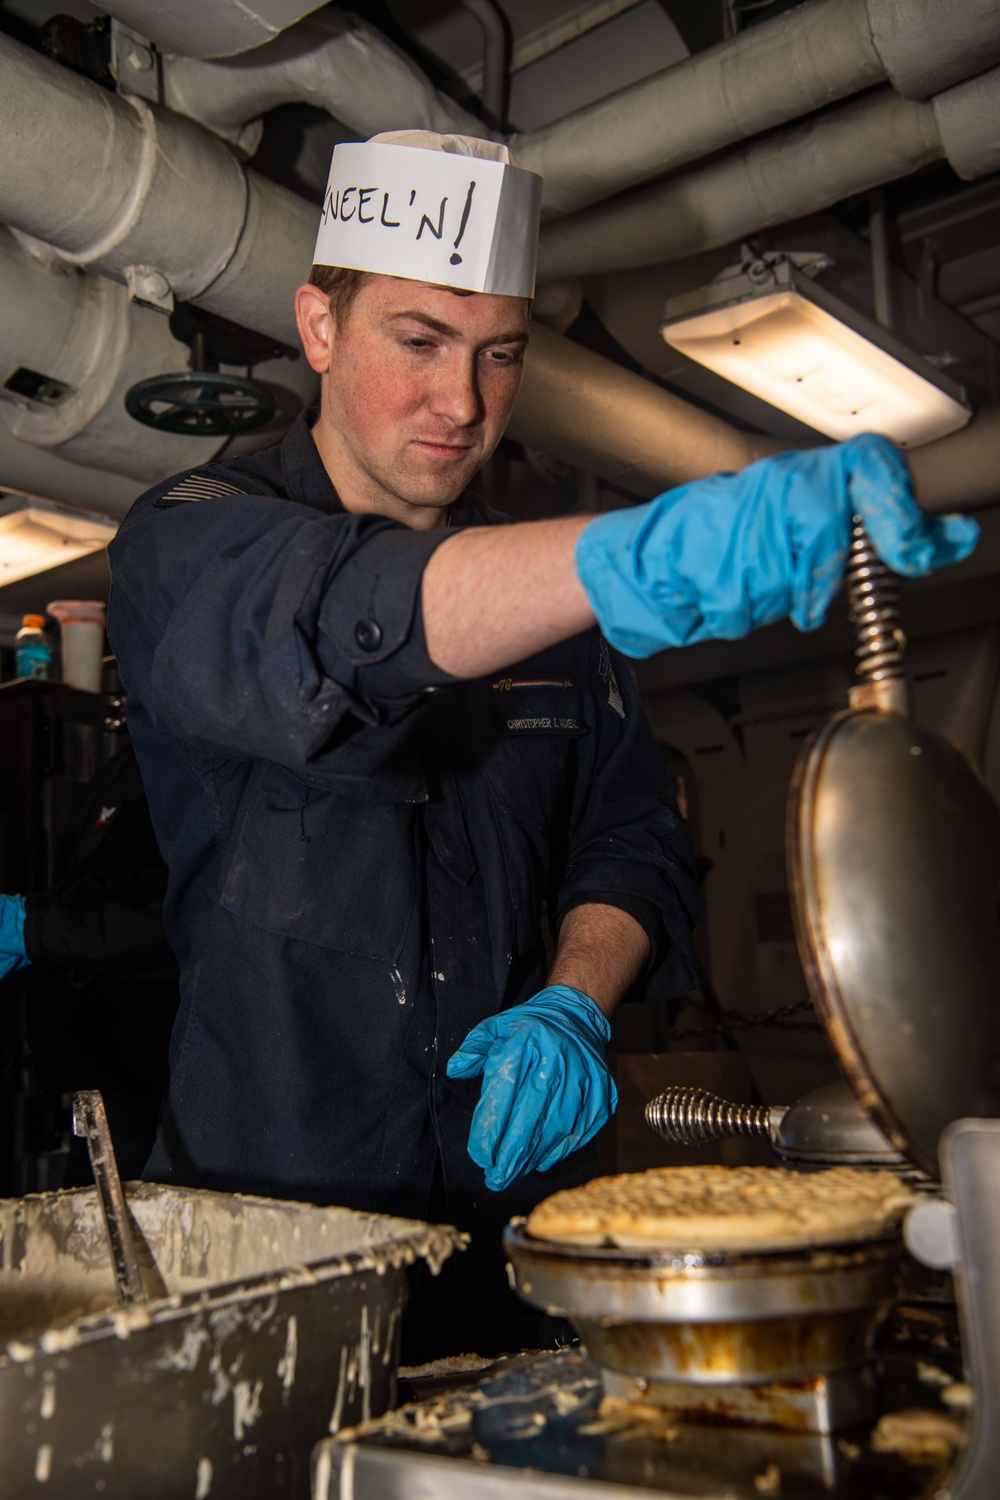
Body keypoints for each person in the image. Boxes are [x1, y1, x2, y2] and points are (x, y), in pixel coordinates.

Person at [105, 131, 977, 1355]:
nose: (461, 404)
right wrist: (627, 554)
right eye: (418, 342)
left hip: (515, 1230)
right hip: (268, 1237)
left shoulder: (560, 613)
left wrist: (572, 1001)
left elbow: (632, 846)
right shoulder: (194, 537)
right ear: (318, 328)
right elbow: (333, 618)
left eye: (497, 353)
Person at [0, 743, 179, 1182]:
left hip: (159, 1087)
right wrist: (29, 955)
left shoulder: (211, 756)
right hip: (99, 1080)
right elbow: (89, 887)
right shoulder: (131, 755)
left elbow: (176, 911)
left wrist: (29, 929)